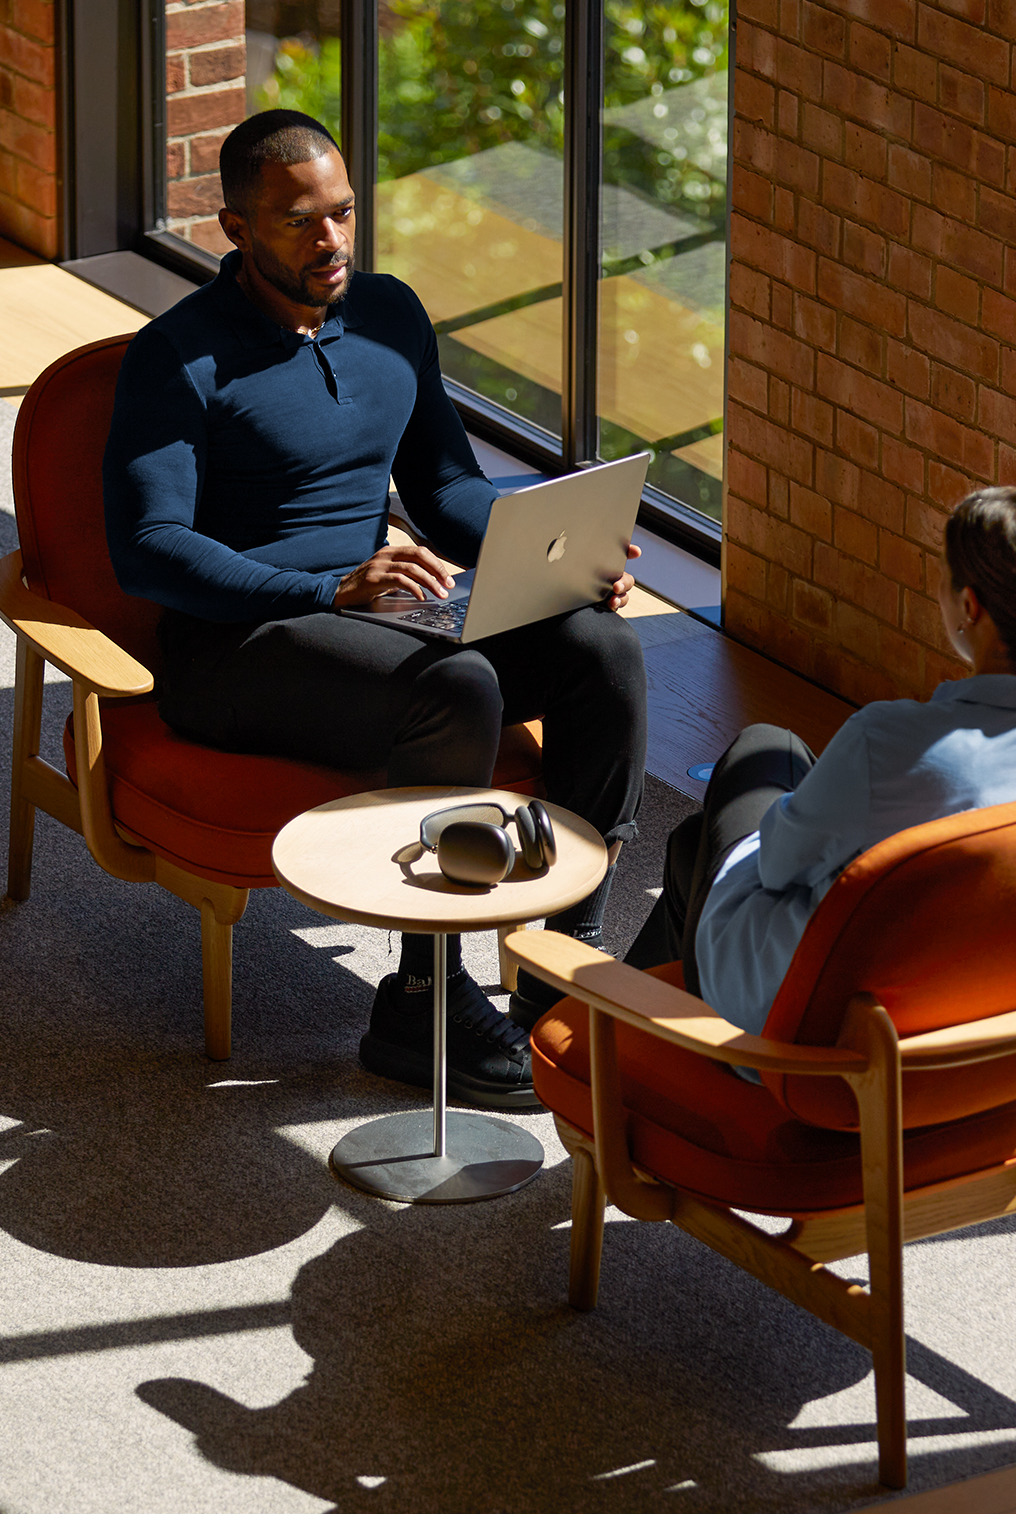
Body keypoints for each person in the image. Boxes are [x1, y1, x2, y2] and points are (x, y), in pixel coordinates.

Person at [103, 109, 647, 1110]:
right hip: (240, 646)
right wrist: (326, 587)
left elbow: (445, 487)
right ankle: (420, 1000)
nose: (332, 241)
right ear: (235, 230)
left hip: (376, 623)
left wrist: (561, 557)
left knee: (600, 651)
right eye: (299, 222)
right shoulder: (177, 358)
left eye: (344, 213)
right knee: (458, 685)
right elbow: (149, 548)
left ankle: (560, 958)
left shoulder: (389, 314)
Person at [626, 486, 1016, 1032]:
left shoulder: (892, 743)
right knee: (691, 846)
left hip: (828, 1038)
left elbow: (779, 866)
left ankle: (613, 1026)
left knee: (761, 751)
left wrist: (792, 819)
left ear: (970, 606)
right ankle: (619, 1026)